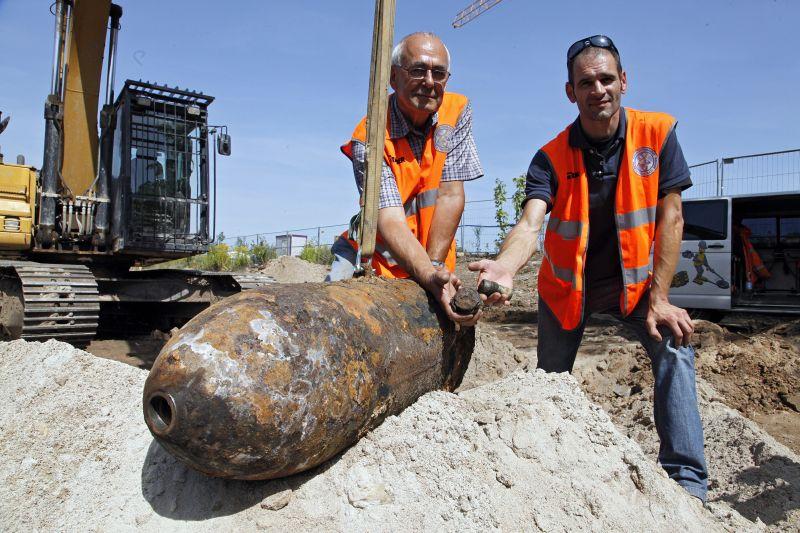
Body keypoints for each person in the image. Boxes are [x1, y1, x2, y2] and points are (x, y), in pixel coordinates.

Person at [470, 35, 708, 501]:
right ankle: (545, 473)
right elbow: (530, 222)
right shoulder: (550, 157)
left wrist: (660, 298)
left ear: (623, 80)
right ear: (570, 92)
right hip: (567, 291)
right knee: (549, 386)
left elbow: (672, 217)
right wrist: (504, 265)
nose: (597, 89)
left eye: (605, 78)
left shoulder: (657, 133)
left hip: (638, 290)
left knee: (676, 345)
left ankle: (686, 482)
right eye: (585, 82)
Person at [327, 32, 483, 324]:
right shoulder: (369, 137)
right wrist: (427, 274)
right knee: (332, 317)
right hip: (381, 262)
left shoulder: (456, 111)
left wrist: (434, 270)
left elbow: (450, 195)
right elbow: (389, 220)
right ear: (393, 78)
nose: (428, 81)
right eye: (417, 70)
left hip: (430, 258)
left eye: (438, 73)